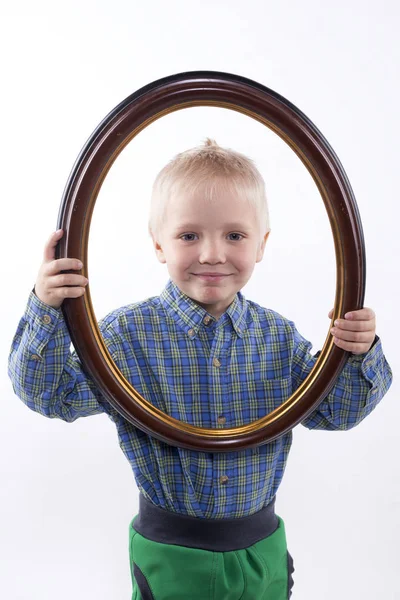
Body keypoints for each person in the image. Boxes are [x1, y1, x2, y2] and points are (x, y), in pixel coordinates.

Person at [8, 139, 392, 599]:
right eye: (189, 236)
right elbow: (50, 395)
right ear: (158, 245)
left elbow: (337, 413)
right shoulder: (125, 336)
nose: (212, 254)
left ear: (262, 244)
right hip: (172, 554)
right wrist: (47, 310)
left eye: (235, 235)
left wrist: (357, 351)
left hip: (261, 550)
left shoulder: (277, 337)